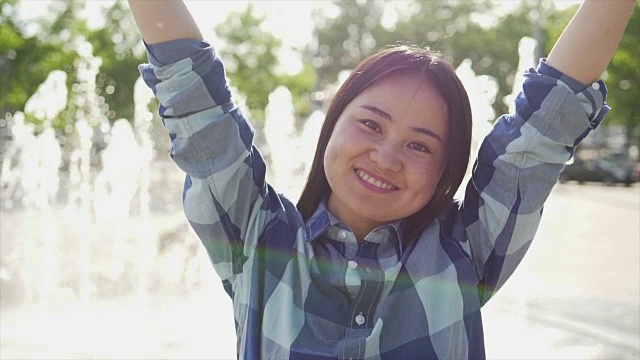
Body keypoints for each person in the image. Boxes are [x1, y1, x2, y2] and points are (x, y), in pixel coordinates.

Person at [128, 1, 635, 358]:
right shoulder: (257, 238)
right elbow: (196, 102)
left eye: (420, 145)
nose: (387, 157)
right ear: (332, 126)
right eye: (370, 124)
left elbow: (547, 123)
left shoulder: (466, 252)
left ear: (444, 169)